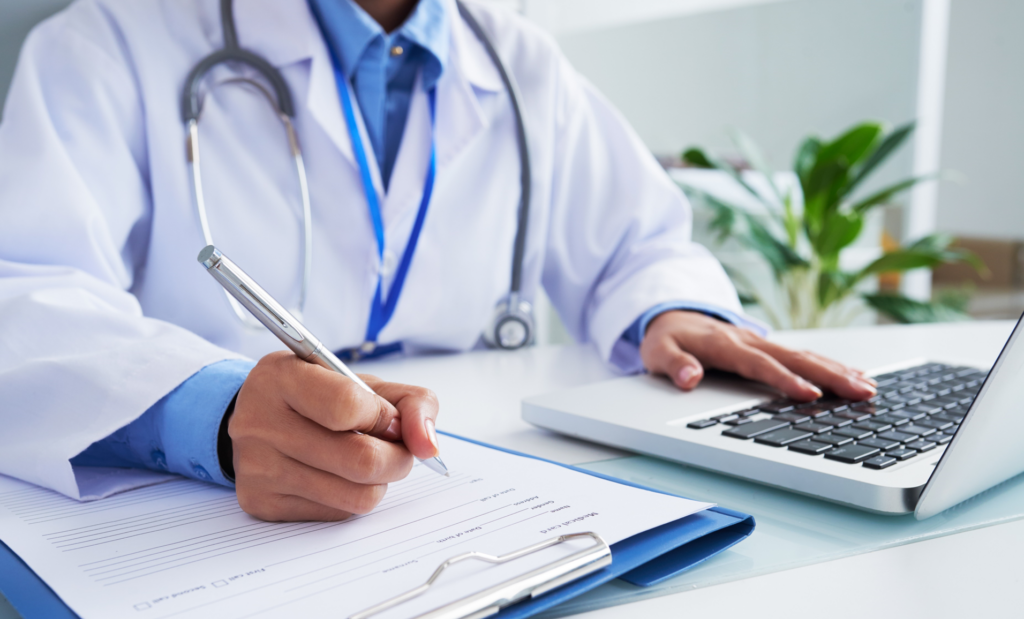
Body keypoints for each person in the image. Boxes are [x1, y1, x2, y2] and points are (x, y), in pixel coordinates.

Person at [0, 0, 875, 521]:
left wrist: (671, 310)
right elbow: (22, 291)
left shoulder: (518, 57)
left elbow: (641, 242)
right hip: (204, 534)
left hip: (459, 510)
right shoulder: (112, 39)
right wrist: (217, 414)